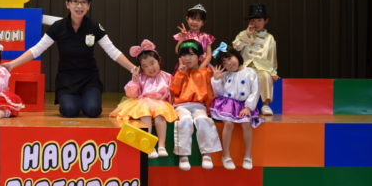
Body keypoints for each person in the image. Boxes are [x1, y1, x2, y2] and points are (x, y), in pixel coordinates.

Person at [2, 0, 137, 118]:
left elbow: (112, 51)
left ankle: (86, 99)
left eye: (84, 2)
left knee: (92, 111)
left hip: (89, 78)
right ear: (67, 4)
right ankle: (73, 101)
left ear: (89, 5)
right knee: (70, 111)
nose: (79, 6)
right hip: (66, 79)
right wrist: (13, 64)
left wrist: (133, 68)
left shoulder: (94, 26)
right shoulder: (58, 27)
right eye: (75, 2)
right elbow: (37, 49)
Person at [110, 40, 177, 159]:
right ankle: (148, 145)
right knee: (145, 115)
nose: (150, 68)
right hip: (144, 102)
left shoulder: (167, 77)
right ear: (141, 68)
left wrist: (173, 105)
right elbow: (132, 94)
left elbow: (171, 93)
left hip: (161, 104)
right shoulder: (141, 77)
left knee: (160, 117)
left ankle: (162, 145)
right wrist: (135, 81)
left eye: (152, 63)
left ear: (159, 60)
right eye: (145, 66)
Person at [170, 39, 222, 171]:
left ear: (200, 57)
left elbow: (210, 92)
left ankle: (207, 153)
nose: (187, 58)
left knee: (203, 119)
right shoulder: (179, 72)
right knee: (185, 120)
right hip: (181, 106)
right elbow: (174, 90)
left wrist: (210, 110)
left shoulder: (206, 72)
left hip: (199, 106)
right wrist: (180, 74)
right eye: (184, 55)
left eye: (191, 54)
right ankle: (183, 154)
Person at [210, 43, 264, 170]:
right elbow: (218, 93)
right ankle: (226, 155)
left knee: (246, 124)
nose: (228, 64)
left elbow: (255, 91)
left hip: (243, 105)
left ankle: (248, 155)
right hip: (227, 104)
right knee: (228, 123)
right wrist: (216, 80)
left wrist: (248, 107)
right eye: (224, 63)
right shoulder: (226, 75)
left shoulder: (251, 72)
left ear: (236, 55)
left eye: (229, 58)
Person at [233, 4, 279, 116]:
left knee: (265, 76)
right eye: (253, 20)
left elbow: (272, 56)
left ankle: (265, 105)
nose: (256, 23)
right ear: (249, 21)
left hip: (262, 67)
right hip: (245, 66)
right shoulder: (243, 34)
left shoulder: (270, 38)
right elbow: (236, 47)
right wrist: (247, 35)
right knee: (242, 76)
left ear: (265, 21)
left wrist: (273, 72)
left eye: (259, 20)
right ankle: (240, 104)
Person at [173, 4, 215, 71]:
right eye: (192, 19)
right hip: (185, 67)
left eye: (198, 20)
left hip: (202, 66)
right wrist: (182, 37)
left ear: (203, 22)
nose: (195, 22)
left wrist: (200, 68)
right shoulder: (183, 35)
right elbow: (178, 51)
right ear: (187, 19)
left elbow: (208, 56)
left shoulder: (206, 37)